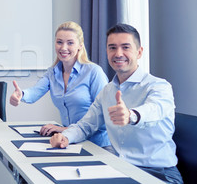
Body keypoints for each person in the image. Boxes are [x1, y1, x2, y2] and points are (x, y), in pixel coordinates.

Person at [50, 24, 183, 183]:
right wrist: (65, 137)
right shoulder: (107, 91)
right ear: (107, 52)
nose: (118, 53)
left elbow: (155, 110)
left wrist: (131, 115)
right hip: (120, 168)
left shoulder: (159, 86)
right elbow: (85, 125)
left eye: (125, 47)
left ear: (139, 52)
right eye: (112, 48)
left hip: (158, 174)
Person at [9, 21, 110, 147]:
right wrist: (21, 94)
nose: (63, 48)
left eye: (70, 43)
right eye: (59, 42)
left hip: (97, 145)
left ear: (80, 45)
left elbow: (104, 117)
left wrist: (65, 130)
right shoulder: (53, 72)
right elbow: (35, 91)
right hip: (70, 142)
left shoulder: (94, 72)